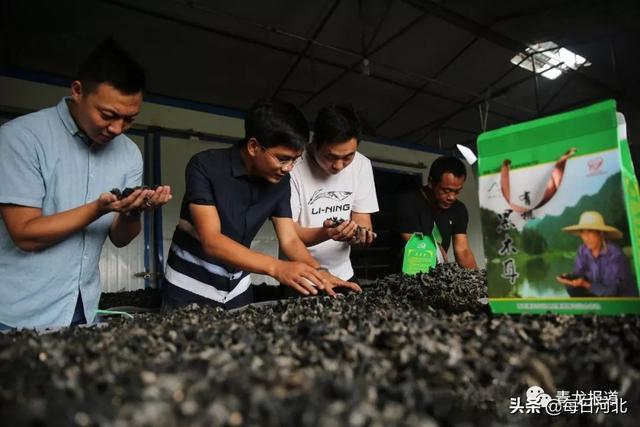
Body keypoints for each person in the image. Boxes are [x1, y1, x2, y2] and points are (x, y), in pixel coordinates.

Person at [0, 39, 172, 330]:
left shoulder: (129, 153)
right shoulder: (21, 139)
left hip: (83, 307)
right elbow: (25, 234)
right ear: (77, 91)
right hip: (17, 313)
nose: (117, 129)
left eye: (129, 119)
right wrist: (96, 209)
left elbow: (120, 238)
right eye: (107, 115)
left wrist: (133, 210)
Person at [161, 100, 361, 311]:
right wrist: (276, 267)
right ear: (253, 147)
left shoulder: (281, 182)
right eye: (283, 159)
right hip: (188, 285)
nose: (289, 168)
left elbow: (290, 240)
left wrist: (319, 272)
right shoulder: (205, 166)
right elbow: (212, 240)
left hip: (238, 288)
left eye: (295, 159)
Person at [289, 104, 379, 282]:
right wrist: (328, 232)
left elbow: (362, 219)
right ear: (315, 143)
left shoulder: (362, 165)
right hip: (301, 275)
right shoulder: (292, 166)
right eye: (330, 157)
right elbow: (289, 235)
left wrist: (359, 235)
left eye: (347, 157)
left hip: (343, 273)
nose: (338, 166)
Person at [393, 156, 478, 269]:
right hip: (403, 277)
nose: (452, 197)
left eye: (457, 191)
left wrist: (480, 281)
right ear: (431, 182)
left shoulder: (458, 209)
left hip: (437, 276)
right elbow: (415, 246)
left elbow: (463, 251)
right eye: (446, 191)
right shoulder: (407, 203)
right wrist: (435, 247)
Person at [556, 211, 638, 297]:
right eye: (583, 232)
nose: (586, 237)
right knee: (572, 288)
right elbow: (579, 274)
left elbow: (612, 291)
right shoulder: (582, 250)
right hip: (599, 294)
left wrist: (585, 284)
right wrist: (569, 277)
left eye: (590, 232)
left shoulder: (614, 254)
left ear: (601, 233)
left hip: (622, 299)